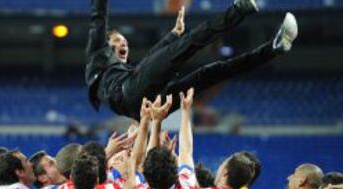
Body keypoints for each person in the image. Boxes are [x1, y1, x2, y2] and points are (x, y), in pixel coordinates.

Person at [85, 0, 298, 120]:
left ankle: (273, 48)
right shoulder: (97, 53)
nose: (124, 44)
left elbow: (148, 63)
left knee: (211, 73)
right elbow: (98, 18)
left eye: (125, 42)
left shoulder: (122, 73)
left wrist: (172, 35)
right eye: (117, 41)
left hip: (144, 106)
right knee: (190, 42)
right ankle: (239, 9)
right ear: (104, 43)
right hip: (135, 99)